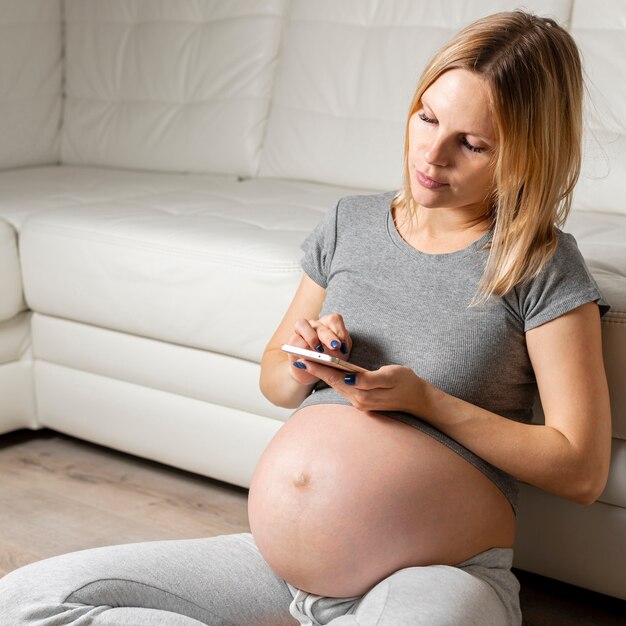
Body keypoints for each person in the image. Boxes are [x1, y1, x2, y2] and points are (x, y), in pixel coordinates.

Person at [0, 10, 611, 626]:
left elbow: (580, 467)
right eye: (426, 117)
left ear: (526, 157)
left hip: (435, 575)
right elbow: (275, 380)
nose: (432, 153)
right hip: (276, 567)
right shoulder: (351, 224)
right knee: (27, 599)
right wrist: (303, 361)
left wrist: (427, 402)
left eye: (472, 144)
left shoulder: (540, 263)